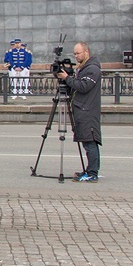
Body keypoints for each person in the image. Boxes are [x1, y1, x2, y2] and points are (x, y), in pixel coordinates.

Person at [56, 41, 102, 182]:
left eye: (78, 53)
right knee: (87, 142)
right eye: (74, 53)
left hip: (87, 110)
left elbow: (83, 86)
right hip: (83, 108)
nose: (76, 56)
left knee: (90, 142)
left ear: (86, 52)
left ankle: (92, 173)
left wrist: (67, 79)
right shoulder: (84, 68)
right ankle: (89, 170)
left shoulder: (92, 69)